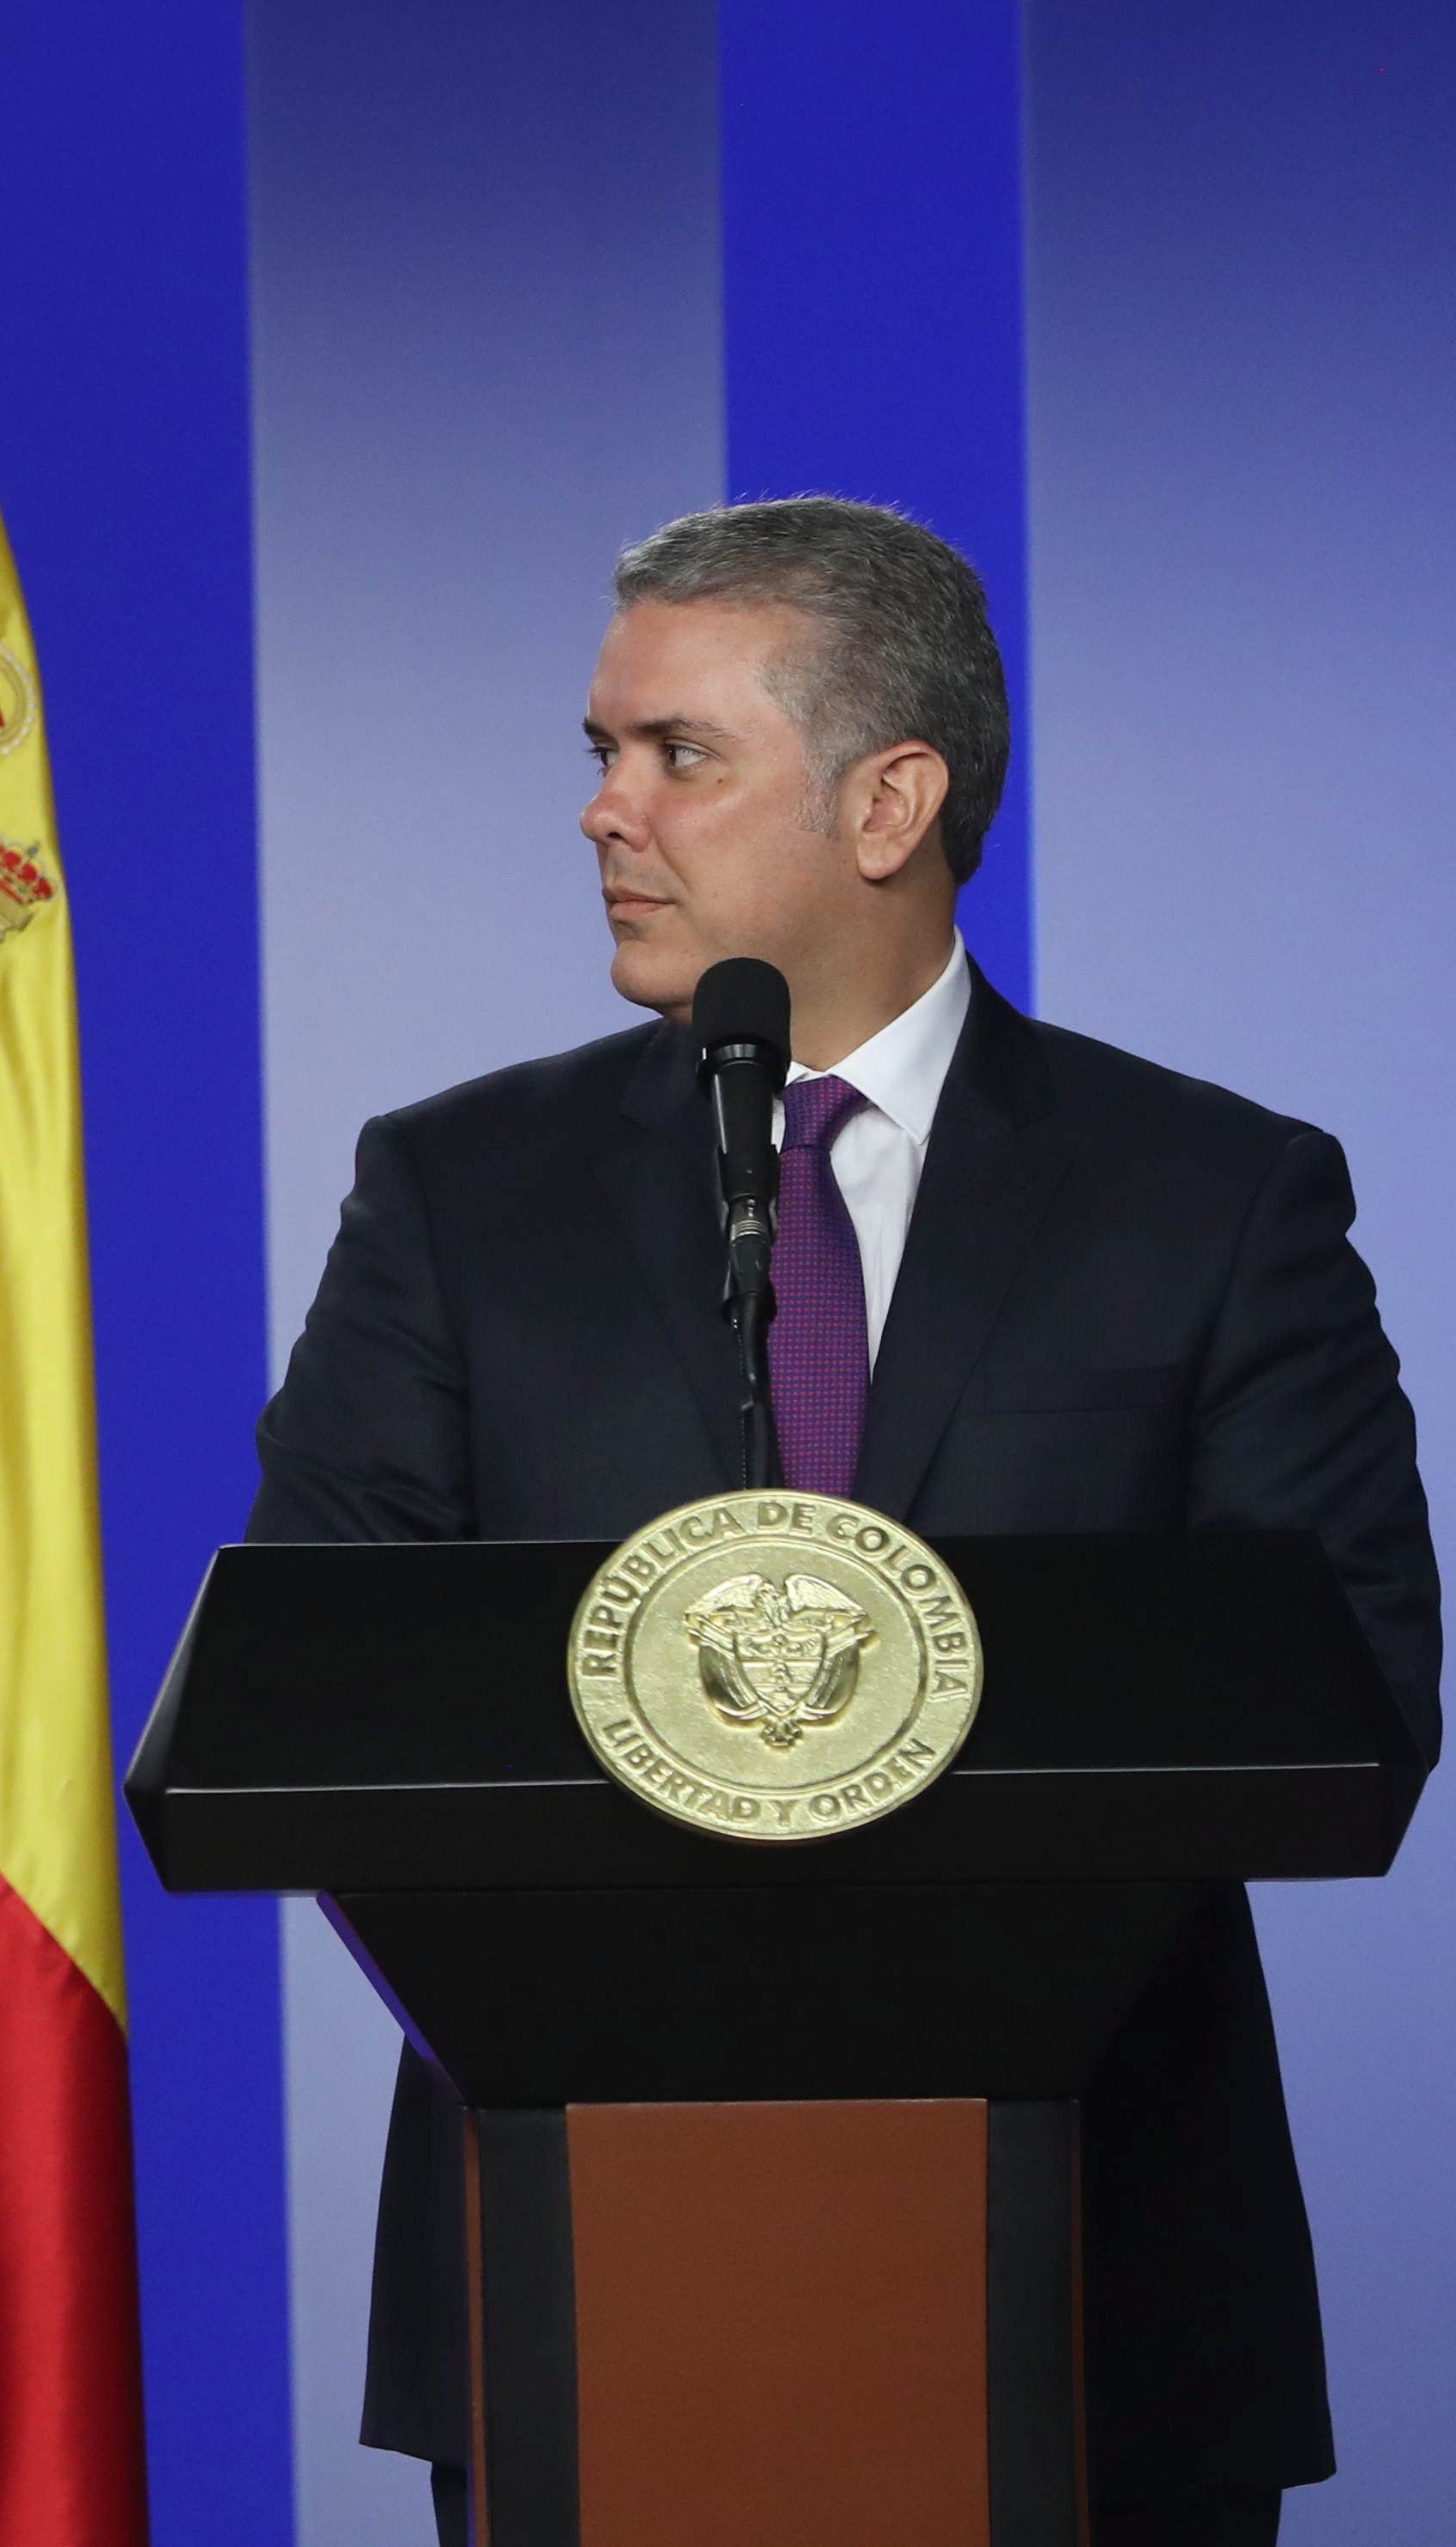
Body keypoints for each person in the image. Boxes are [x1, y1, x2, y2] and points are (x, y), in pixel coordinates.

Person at [253, 497, 1439, 2547]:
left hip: (1104, 2286)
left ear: (890, 798)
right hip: (576, 2272)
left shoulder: (1210, 1196)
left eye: (676, 754)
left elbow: (1351, 1680)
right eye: (597, 753)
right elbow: (317, 1680)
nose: (607, 810)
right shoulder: (455, 1193)